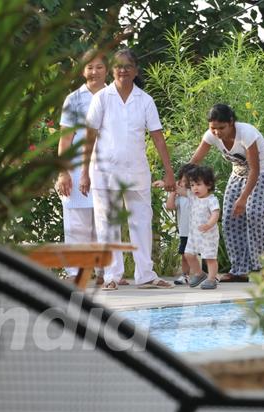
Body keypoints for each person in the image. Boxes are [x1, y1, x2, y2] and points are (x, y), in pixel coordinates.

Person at [80, 48, 176, 291]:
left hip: (137, 172)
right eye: (118, 66)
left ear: (136, 71)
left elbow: (158, 138)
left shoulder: (145, 100)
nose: (123, 70)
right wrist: (83, 173)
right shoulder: (101, 98)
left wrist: (169, 172)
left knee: (141, 222)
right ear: (112, 70)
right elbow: (89, 137)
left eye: (127, 66)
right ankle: (112, 276)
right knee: (107, 224)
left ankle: (146, 274)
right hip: (104, 172)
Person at [189, 104, 264, 282]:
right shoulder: (211, 136)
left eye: (221, 128)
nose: (217, 133)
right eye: (213, 128)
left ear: (231, 123)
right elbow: (195, 161)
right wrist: (181, 181)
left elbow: (255, 169)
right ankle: (239, 270)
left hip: (262, 172)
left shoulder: (247, 134)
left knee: (254, 213)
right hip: (238, 173)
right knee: (229, 217)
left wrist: (243, 198)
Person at [56, 51, 107, 284]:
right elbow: (65, 140)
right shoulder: (73, 99)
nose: (94, 72)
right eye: (89, 67)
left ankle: (104, 273)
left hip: (107, 169)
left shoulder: (113, 96)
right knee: (78, 223)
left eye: (99, 67)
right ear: (82, 70)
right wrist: (63, 172)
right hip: (77, 168)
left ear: (107, 70)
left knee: (104, 222)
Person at [158, 163, 197, 285]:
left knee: (204, 254)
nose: (183, 183)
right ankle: (185, 275)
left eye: (187, 181)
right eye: (182, 180)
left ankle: (206, 274)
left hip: (198, 231)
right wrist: (173, 193)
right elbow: (170, 207)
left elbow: (189, 194)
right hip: (185, 231)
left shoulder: (196, 195)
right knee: (185, 254)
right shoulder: (180, 197)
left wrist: (171, 186)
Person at [183, 165, 220, 290]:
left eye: (198, 184)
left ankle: (211, 278)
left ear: (208, 185)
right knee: (188, 254)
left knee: (209, 257)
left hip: (208, 234)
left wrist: (209, 224)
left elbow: (216, 213)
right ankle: (199, 273)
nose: (195, 188)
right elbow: (179, 190)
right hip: (194, 234)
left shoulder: (211, 199)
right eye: (192, 185)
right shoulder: (193, 198)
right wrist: (165, 183)